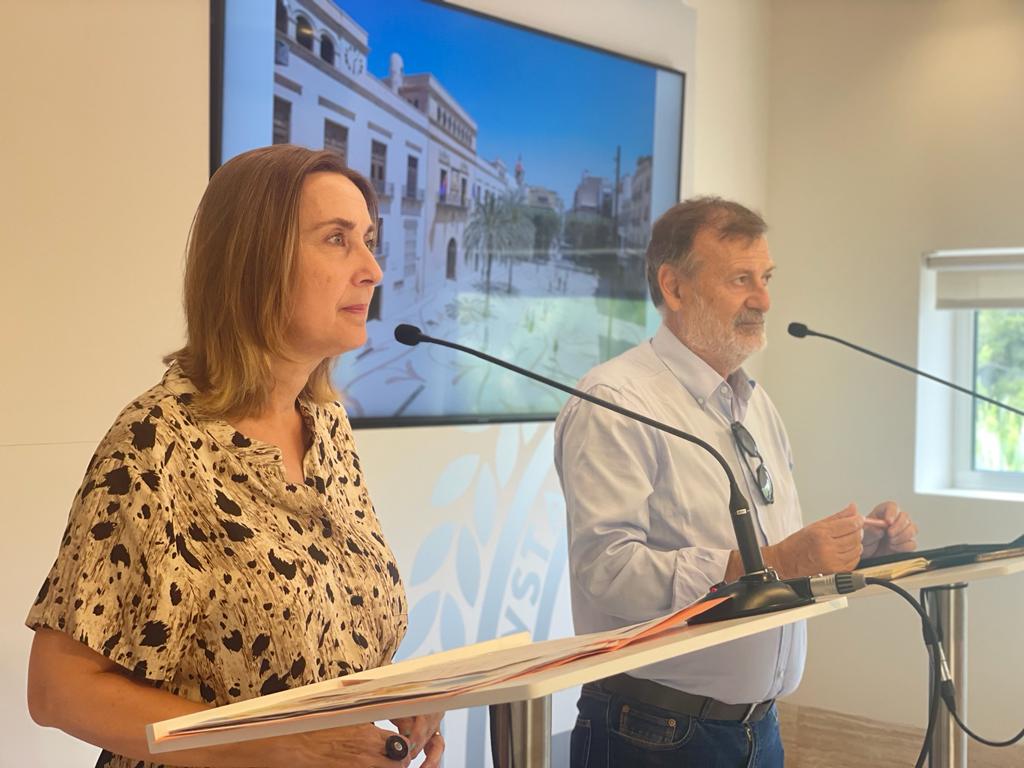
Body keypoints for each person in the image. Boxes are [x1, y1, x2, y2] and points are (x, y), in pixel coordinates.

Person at [26, 145, 444, 768]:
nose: (372, 269)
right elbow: (58, 692)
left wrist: (391, 695)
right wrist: (282, 747)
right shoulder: (158, 441)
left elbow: (312, 634)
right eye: (336, 239)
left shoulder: (326, 426)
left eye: (368, 239)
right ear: (255, 263)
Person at [554, 196, 918, 767]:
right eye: (741, 279)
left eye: (766, 278)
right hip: (653, 733)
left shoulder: (753, 401)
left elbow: (771, 546)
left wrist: (850, 549)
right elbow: (609, 570)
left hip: (757, 729)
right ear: (674, 288)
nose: (764, 300)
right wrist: (772, 561)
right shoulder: (617, 400)